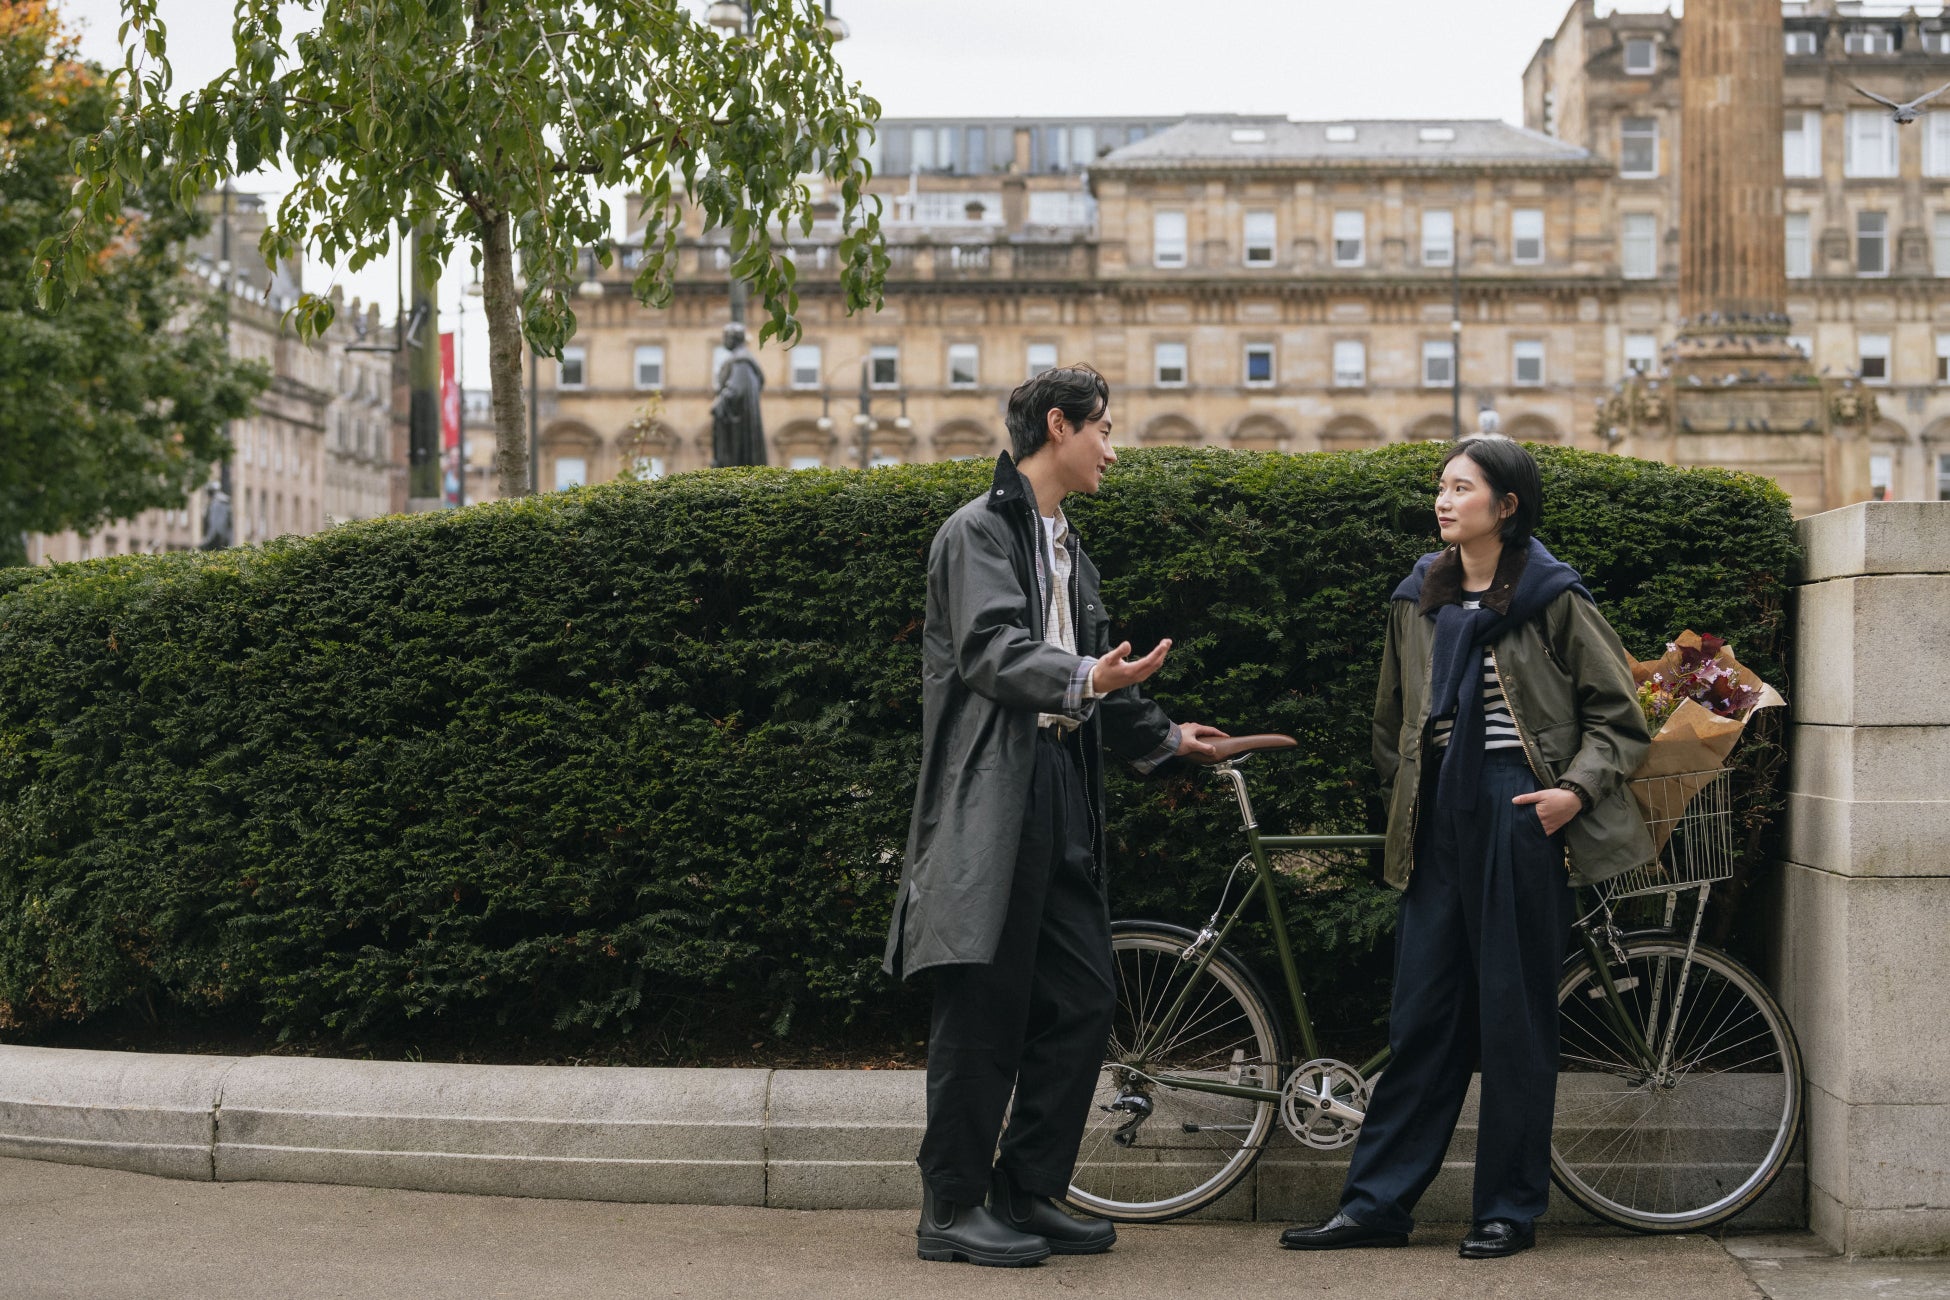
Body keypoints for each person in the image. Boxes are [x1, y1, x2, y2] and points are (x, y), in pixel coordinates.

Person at [883, 365, 1228, 1268]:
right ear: (1060, 426)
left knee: (1084, 996)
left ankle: (1026, 1190)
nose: (1113, 450)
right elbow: (992, 650)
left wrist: (1169, 738)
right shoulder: (977, 532)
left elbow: (1100, 678)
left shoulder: (1071, 550)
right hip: (995, 793)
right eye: (1104, 430)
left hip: (1059, 785)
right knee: (984, 1005)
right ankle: (951, 1206)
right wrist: (1084, 677)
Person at [1279, 435, 1653, 1260]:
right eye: (1441, 487)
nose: (1444, 501)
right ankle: (1376, 1205)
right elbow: (1392, 722)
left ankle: (1507, 1211)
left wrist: (1573, 793)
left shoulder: (1554, 596)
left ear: (1506, 506)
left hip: (1519, 811)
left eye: (1461, 488)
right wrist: (1416, 795)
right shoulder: (1419, 595)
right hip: (1439, 816)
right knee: (1422, 1017)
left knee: (1515, 1021)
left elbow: (1619, 717)